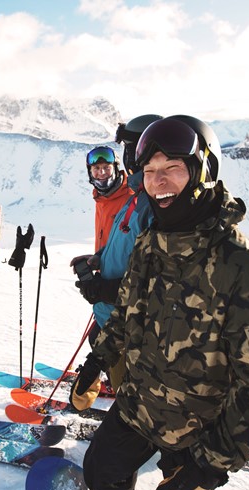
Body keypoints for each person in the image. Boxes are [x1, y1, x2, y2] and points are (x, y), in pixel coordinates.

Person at [70, 116, 249, 490]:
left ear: (202, 172)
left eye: (172, 169)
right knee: (100, 474)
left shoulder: (244, 271)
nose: (157, 182)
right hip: (138, 406)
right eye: (149, 170)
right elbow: (126, 313)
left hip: (199, 429)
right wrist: (96, 361)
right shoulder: (150, 244)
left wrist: (211, 465)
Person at [71, 115, 162, 387]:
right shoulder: (123, 198)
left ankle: (125, 395)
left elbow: (158, 276)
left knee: (109, 345)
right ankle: (119, 385)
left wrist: (110, 289)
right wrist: (99, 259)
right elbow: (123, 243)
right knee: (99, 338)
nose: (102, 173)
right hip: (112, 303)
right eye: (95, 169)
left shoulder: (144, 200)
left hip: (125, 312)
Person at [86, 146, 132, 252]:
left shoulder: (131, 197)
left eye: (107, 167)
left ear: (115, 168)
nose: (101, 172)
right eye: (96, 168)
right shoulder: (100, 199)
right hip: (103, 266)